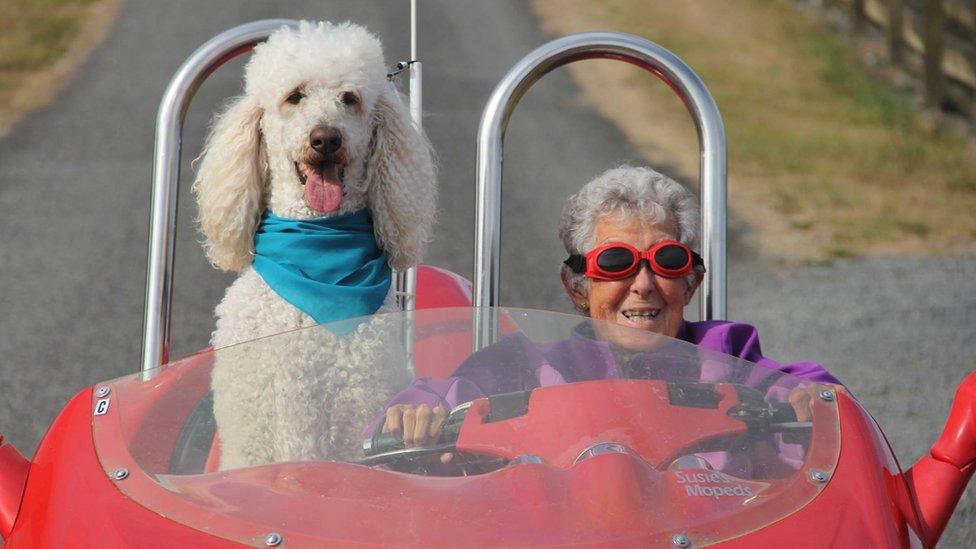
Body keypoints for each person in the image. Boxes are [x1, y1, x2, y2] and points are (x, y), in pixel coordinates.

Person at [381, 166, 845, 454]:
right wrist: (419, 410)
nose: (643, 285)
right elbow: (440, 394)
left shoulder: (725, 354)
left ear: (691, 281)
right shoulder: (525, 364)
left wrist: (806, 398)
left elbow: (816, 390)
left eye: (667, 261)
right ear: (577, 286)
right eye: (617, 262)